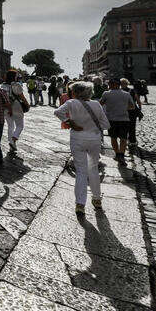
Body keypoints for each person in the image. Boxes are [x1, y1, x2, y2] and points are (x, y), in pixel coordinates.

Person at [54, 81, 110, 215]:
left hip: (78, 139)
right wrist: (92, 128)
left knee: (81, 171)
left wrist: (70, 122)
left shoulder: (71, 103)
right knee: (94, 169)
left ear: (75, 92)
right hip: (94, 140)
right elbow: (106, 124)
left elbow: (57, 112)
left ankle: (80, 204)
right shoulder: (96, 104)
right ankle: (97, 199)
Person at [100, 78, 135, 165]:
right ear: (119, 85)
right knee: (123, 138)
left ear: (111, 85)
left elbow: (100, 104)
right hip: (124, 119)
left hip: (111, 119)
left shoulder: (106, 94)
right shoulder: (126, 94)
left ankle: (117, 154)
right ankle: (121, 155)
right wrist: (123, 108)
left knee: (113, 137)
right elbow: (132, 106)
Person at [0, 70, 28, 152]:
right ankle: (14, 140)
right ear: (14, 76)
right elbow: (22, 96)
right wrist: (27, 104)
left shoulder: (3, 86)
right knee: (20, 125)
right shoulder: (16, 85)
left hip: (6, 107)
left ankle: (11, 143)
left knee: (10, 126)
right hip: (16, 106)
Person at [121, 78, 142, 149]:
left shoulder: (119, 91)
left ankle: (125, 141)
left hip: (124, 111)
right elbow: (138, 100)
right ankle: (132, 141)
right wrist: (139, 108)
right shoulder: (132, 90)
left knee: (124, 126)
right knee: (132, 126)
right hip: (133, 111)